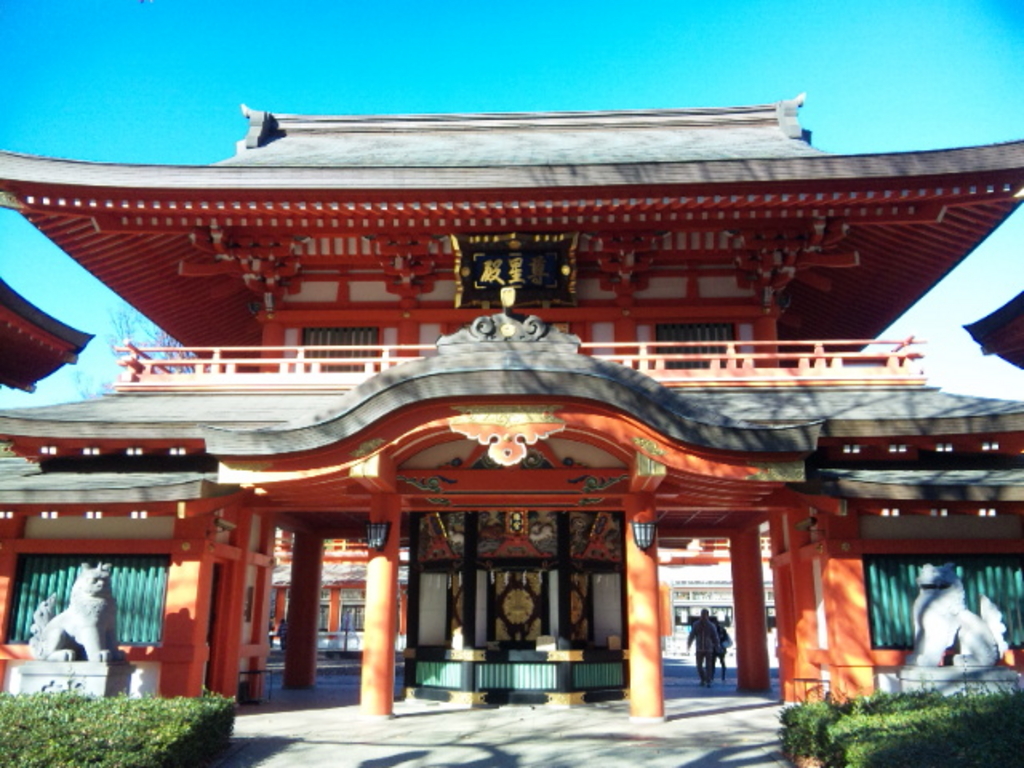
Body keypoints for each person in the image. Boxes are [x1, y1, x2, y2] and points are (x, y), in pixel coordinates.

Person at [686, 609, 722, 687]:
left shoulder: (711, 625)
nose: (703, 616)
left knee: (708, 665)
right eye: (702, 614)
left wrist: (717, 646)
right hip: (699, 647)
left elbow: (715, 637)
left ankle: (708, 680)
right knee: (699, 665)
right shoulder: (696, 624)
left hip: (708, 648)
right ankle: (703, 678)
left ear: (707, 615)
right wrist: (689, 644)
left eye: (704, 615)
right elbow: (692, 635)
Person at [710, 616, 732, 681]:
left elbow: (726, 638)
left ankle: (722, 676)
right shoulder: (712, 630)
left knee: (721, 662)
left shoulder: (721, 630)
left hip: (720, 647)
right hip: (715, 648)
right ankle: (712, 676)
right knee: (713, 663)